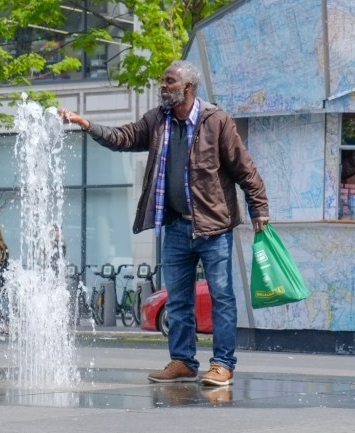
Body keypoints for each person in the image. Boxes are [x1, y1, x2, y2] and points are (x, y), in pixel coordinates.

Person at [58, 60, 269, 387]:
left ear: (187, 87)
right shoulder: (158, 120)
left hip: (215, 228)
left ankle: (223, 364)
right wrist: (87, 124)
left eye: (169, 82)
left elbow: (245, 170)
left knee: (222, 296)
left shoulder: (217, 122)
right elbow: (123, 137)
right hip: (175, 227)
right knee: (178, 300)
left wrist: (260, 210)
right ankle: (183, 361)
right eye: (162, 81)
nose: (163, 86)